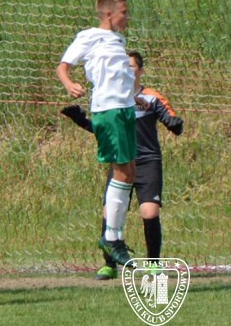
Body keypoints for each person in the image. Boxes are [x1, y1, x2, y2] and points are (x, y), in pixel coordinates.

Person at [61, 50, 183, 279]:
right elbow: (105, 131)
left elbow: (169, 115)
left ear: (141, 71)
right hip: (122, 161)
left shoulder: (150, 97)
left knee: (149, 211)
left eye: (131, 67)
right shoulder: (112, 99)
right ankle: (110, 264)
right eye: (122, 67)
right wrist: (83, 121)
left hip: (147, 161)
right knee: (110, 210)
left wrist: (173, 122)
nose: (126, 71)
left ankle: (153, 264)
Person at [56, 0, 140, 268]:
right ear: (108, 14)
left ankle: (115, 237)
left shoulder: (118, 39)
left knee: (130, 171)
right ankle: (112, 238)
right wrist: (69, 84)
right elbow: (63, 67)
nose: (127, 17)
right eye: (124, 12)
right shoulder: (89, 36)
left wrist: (134, 98)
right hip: (108, 109)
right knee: (122, 171)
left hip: (125, 108)